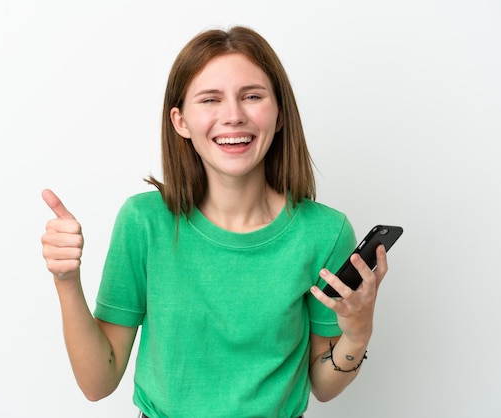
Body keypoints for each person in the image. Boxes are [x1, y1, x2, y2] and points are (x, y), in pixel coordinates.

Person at [41, 25, 388, 418]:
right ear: (181, 121)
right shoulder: (144, 222)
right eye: (210, 100)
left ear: (278, 116)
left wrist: (358, 331)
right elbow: (97, 383)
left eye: (252, 96)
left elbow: (323, 386)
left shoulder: (325, 233)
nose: (233, 116)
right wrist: (66, 282)